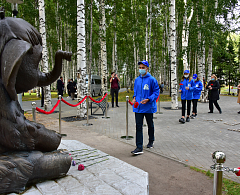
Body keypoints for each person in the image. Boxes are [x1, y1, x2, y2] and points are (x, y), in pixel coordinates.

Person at [131, 60, 159, 155]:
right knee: (138, 126)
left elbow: (156, 92)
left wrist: (148, 99)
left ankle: (151, 141)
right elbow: (135, 91)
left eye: (143, 68)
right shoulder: (137, 80)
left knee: (150, 124)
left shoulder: (152, 80)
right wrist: (134, 98)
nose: (141, 69)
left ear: (147, 68)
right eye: (140, 68)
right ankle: (139, 147)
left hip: (148, 107)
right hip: (138, 107)